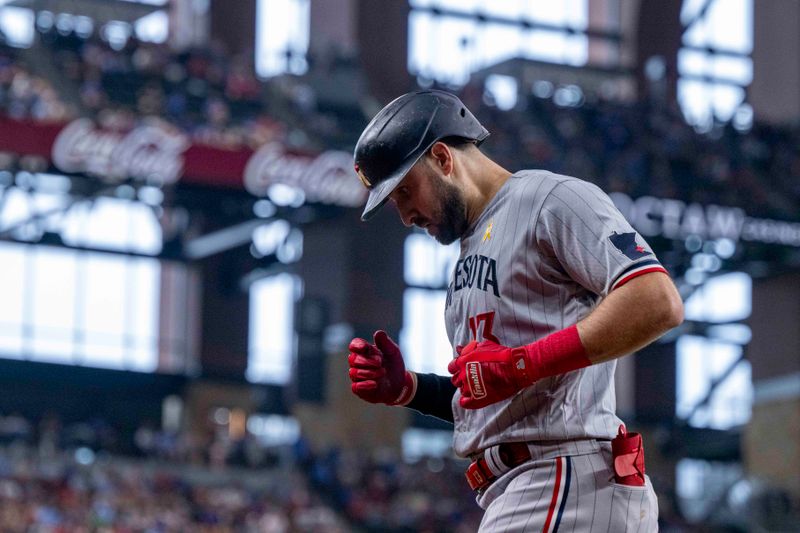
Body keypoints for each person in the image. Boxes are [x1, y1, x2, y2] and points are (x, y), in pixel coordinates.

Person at [347, 90, 683, 532]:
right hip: (536, 484)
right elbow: (500, 393)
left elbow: (657, 299)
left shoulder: (550, 198)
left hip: (566, 477)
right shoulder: (472, 249)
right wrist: (410, 389)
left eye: (405, 190)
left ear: (444, 159)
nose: (405, 214)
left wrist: (520, 365)